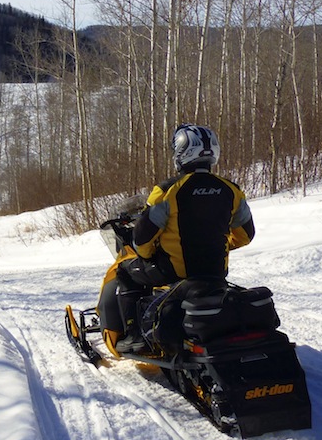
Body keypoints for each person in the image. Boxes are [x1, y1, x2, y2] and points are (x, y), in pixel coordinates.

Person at [98, 123, 256, 356]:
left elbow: (141, 240)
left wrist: (150, 254)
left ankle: (133, 336)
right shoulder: (231, 190)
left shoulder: (167, 191)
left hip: (173, 272)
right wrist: (219, 245)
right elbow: (245, 235)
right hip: (214, 272)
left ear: (181, 152)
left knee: (125, 272)